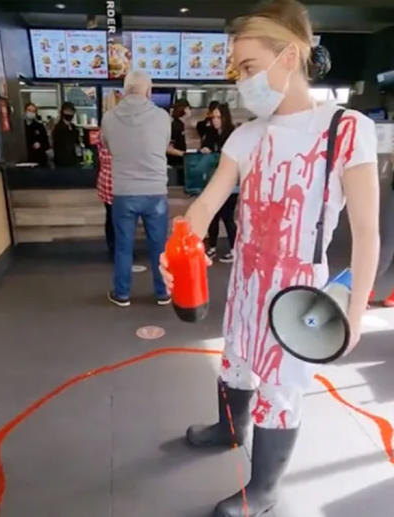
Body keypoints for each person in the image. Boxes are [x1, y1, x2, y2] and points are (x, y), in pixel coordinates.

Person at [159, 1, 379, 515]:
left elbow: (367, 233)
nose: (243, 82)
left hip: (299, 286)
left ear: (291, 55)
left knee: (281, 386)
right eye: (238, 72)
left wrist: (357, 310)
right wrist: (180, 246)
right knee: (235, 360)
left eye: (251, 68)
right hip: (246, 278)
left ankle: (263, 489)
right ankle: (227, 429)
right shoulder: (246, 134)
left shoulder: (345, 129)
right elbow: (208, 203)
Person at [100, 70, 173, 307]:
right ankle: (162, 293)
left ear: (123, 91)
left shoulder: (109, 118)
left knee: (123, 246)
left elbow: (109, 148)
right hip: (155, 192)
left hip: (123, 191)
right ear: (149, 91)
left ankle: (122, 294)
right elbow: (162, 146)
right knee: (159, 246)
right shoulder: (163, 117)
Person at [202, 104, 239, 262]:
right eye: (213, 117)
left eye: (219, 117)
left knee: (227, 216)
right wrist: (204, 150)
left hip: (230, 183)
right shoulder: (210, 133)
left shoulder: (233, 135)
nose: (216, 120)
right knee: (213, 215)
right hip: (214, 180)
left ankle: (233, 249)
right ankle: (212, 247)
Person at [95, 139, 115, 261]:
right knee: (117, 219)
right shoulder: (114, 135)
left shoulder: (101, 135)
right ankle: (116, 248)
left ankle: (113, 247)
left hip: (106, 179)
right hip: (115, 180)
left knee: (111, 216)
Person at [52, 102, 84, 167]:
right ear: (62, 112)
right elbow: (59, 145)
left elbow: (77, 143)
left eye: (71, 111)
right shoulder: (58, 128)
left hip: (74, 161)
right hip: (62, 162)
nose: (69, 113)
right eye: (67, 111)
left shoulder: (74, 127)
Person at [167, 99, 191, 170]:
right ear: (185, 109)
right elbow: (168, 148)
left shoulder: (180, 125)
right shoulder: (175, 126)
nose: (190, 111)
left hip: (179, 163)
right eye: (189, 108)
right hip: (174, 165)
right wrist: (184, 154)